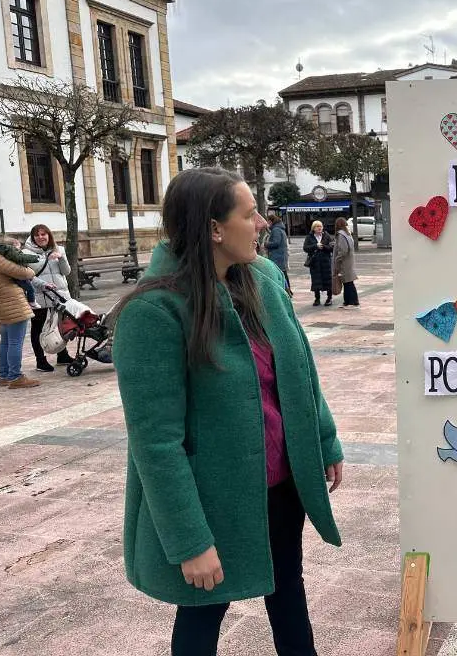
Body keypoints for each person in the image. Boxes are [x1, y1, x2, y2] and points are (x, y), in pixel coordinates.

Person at [111, 168, 344, 656]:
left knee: (287, 589)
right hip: (211, 501)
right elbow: (155, 443)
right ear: (214, 229)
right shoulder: (153, 313)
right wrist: (189, 540)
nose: (261, 222)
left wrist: (323, 439)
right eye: (249, 213)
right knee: (203, 612)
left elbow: (300, 369)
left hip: (280, 487)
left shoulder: (262, 278)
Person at [0, 237, 46, 389]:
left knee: (5, 341)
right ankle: (15, 377)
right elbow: (24, 273)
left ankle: (4, 376)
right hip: (12, 303)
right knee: (15, 341)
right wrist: (29, 270)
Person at [23, 225, 74, 372]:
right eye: (37, 235)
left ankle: (62, 355)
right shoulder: (26, 253)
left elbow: (66, 271)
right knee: (38, 329)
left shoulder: (59, 249)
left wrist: (61, 257)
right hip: (39, 297)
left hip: (59, 295)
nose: (41, 237)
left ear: (49, 235)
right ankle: (40, 360)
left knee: (59, 326)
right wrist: (46, 260)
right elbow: (28, 276)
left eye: (43, 234)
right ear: (32, 238)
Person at [0, 237, 37, 306]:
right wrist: (32, 270)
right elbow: (25, 273)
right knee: (30, 289)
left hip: (4, 301)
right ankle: (32, 303)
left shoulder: (2, 254)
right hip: (12, 303)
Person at [303, 220, 333, 306]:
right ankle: (317, 298)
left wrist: (324, 247)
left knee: (328, 280)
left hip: (326, 262)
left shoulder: (327, 236)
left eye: (321, 226)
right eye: (317, 226)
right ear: (313, 228)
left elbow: (332, 247)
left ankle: (329, 298)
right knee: (316, 280)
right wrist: (315, 246)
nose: (319, 228)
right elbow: (305, 248)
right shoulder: (309, 237)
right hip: (315, 262)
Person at [332, 217, 358, 309]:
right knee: (349, 282)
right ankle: (350, 301)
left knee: (347, 283)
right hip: (349, 262)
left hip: (344, 263)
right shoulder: (348, 234)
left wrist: (337, 259)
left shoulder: (341, 235)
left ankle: (350, 302)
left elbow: (343, 250)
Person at [265, 213, 292, 297]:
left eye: (268, 222)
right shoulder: (280, 228)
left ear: (270, 221)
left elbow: (276, 243)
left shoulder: (276, 230)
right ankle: (288, 291)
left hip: (277, 256)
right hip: (281, 256)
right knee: (283, 273)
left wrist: (266, 244)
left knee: (281, 274)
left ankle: (287, 292)